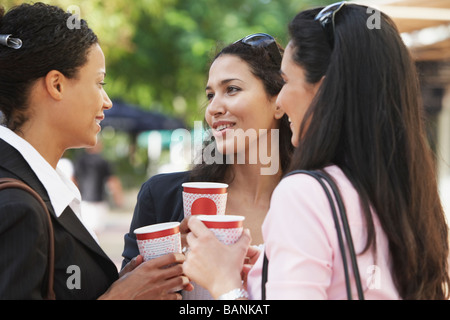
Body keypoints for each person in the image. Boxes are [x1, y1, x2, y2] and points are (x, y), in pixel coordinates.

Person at [183, 2, 450, 300]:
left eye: (284, 82)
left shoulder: (305, 193)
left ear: (323, 93)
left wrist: (225, 284)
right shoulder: (408, 195)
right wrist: (267, 276)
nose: (280, 101)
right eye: (210, 95)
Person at [0, 3, 190, 299]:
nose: (107, 101)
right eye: (99, 83)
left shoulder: (38, 188)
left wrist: (121, 285)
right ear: (56, 85)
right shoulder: (16, 206)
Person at [121, 33, 293, 268]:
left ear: (278, 103)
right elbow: (129, 289)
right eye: (210, 95)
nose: (213, 108)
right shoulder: (161, 197)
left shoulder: (315, 202)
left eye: (232, 89)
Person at [73, 140, 124, 233]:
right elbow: (112, 181)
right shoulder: (103, 161)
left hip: (84, 201)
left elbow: (74, 180)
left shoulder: (80, 161)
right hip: (99, 202)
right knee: (96, 234)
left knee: (86, 232)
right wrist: (118, 199)